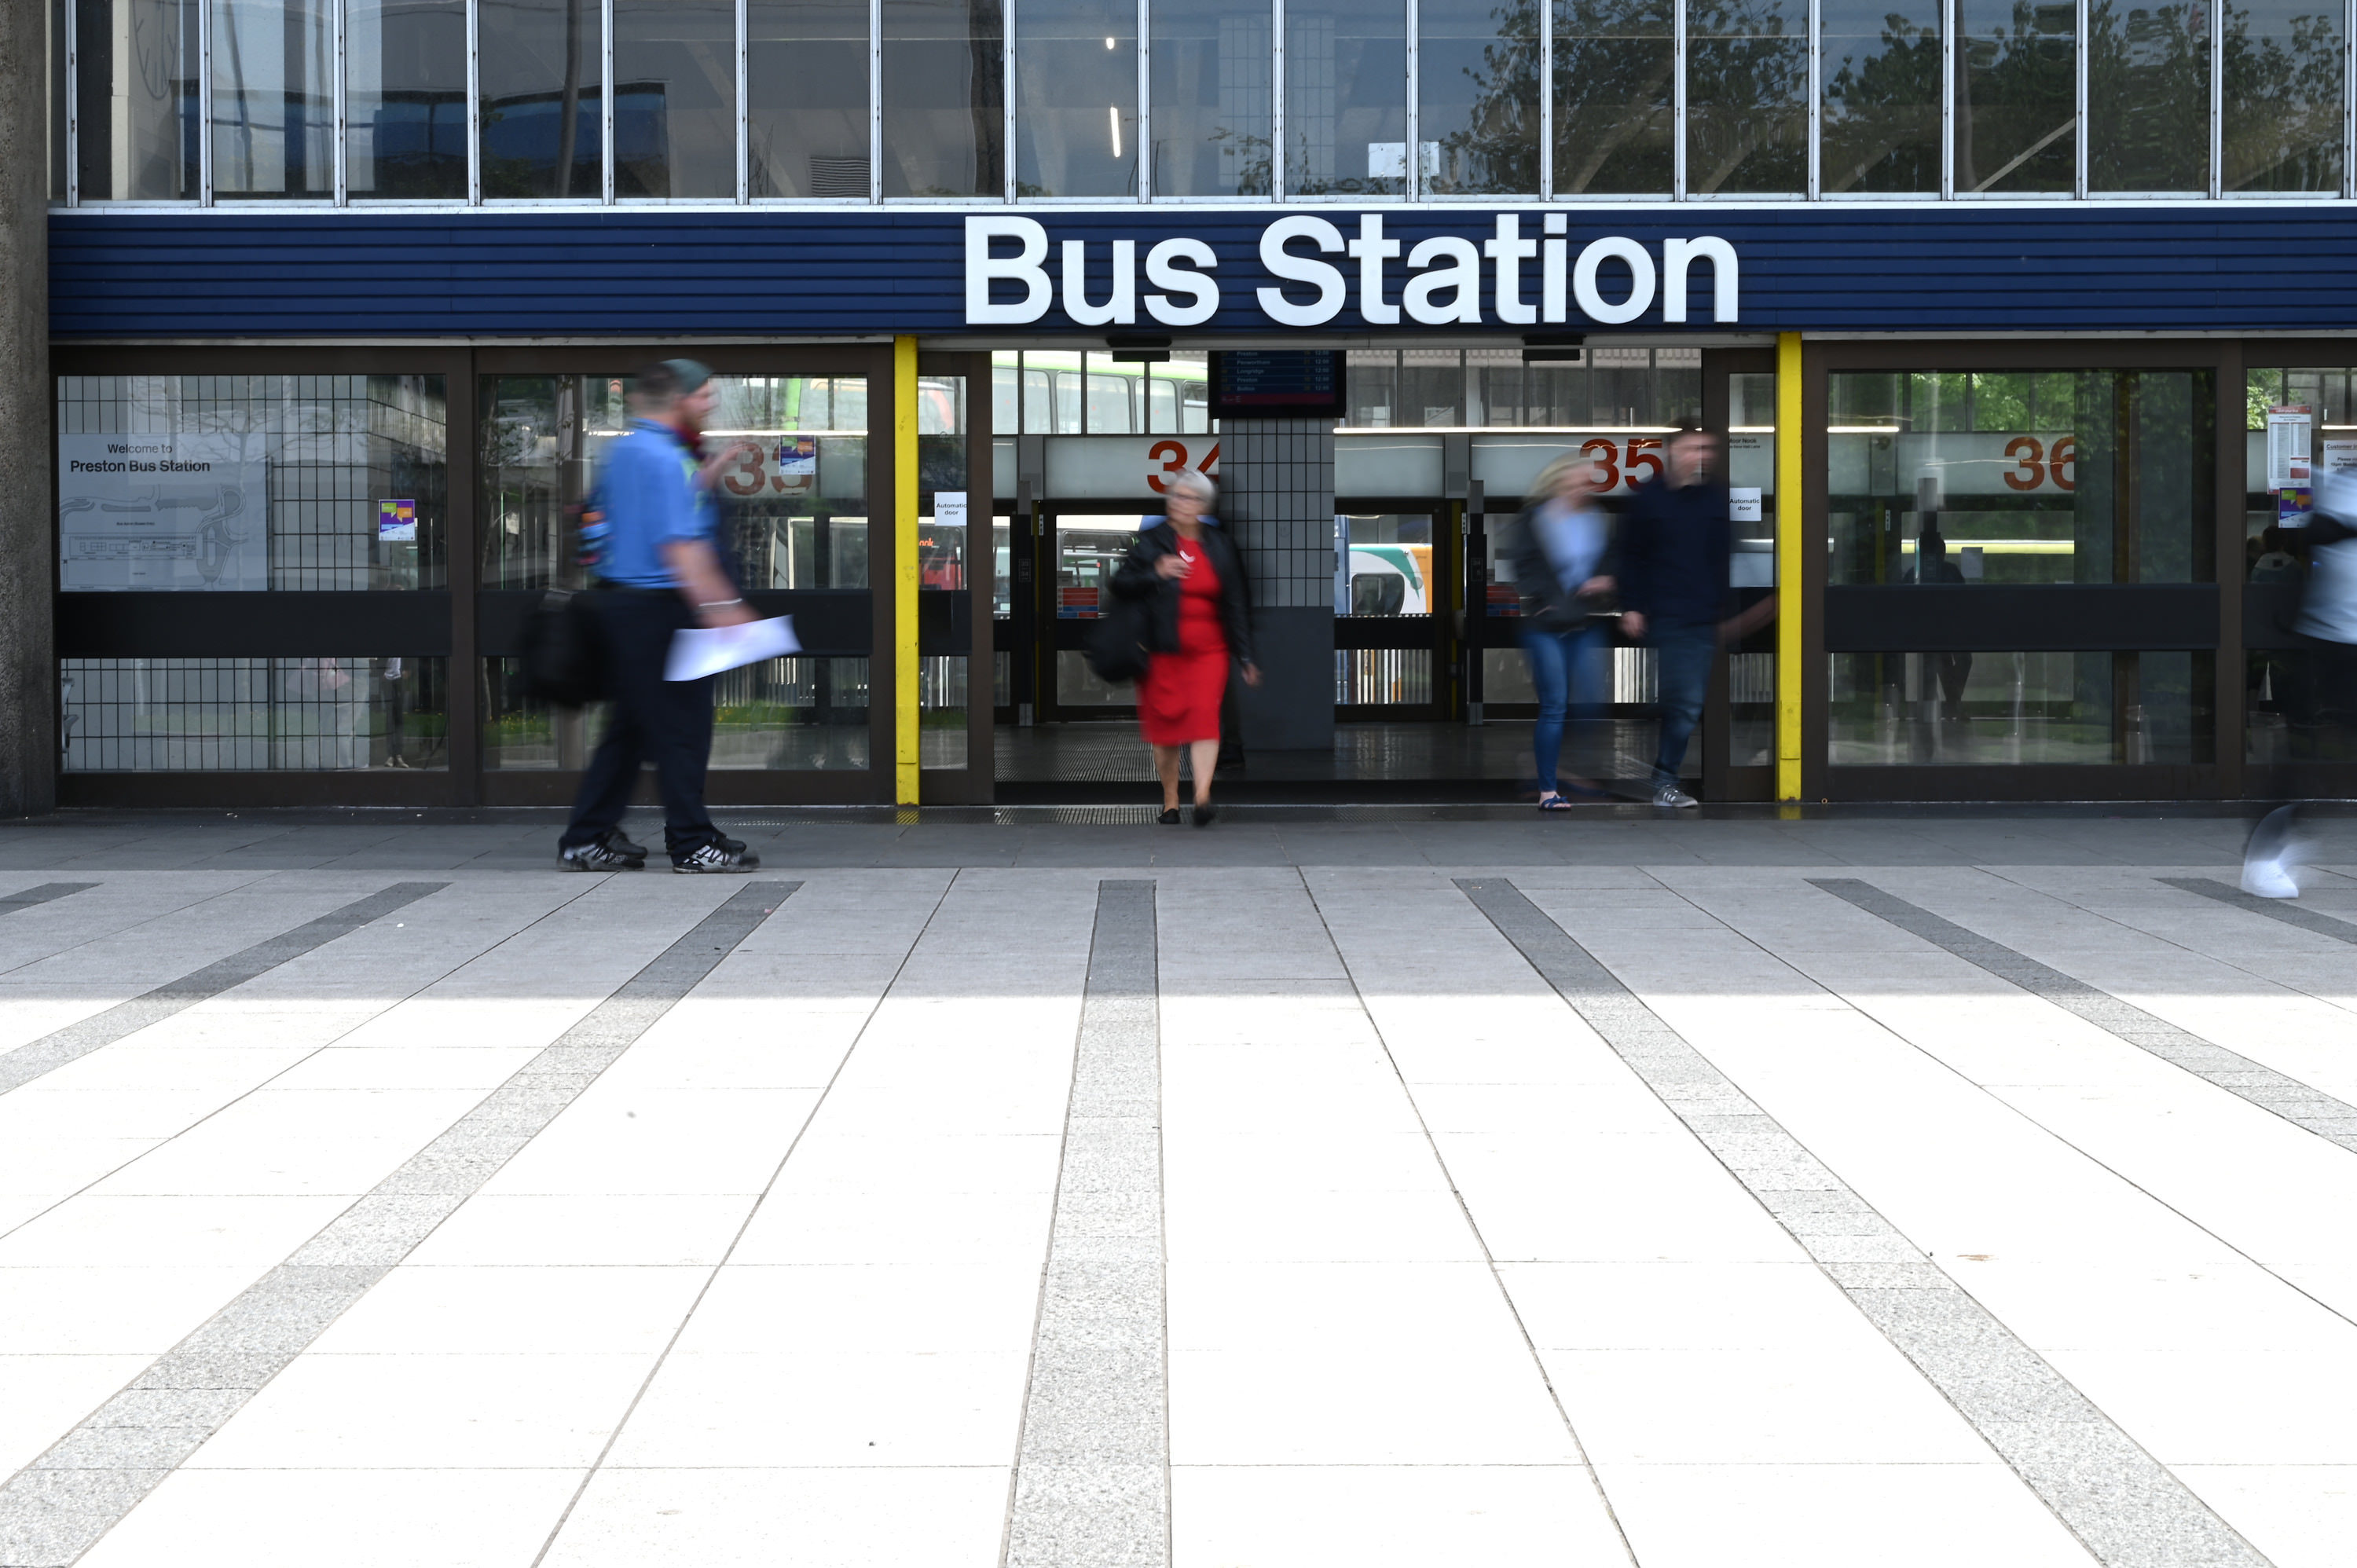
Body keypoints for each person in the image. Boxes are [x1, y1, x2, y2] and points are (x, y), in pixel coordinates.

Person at [555, 359, 762, 873]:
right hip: (660, 609)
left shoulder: (625, 451)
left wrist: (707, 477)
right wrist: (726, 610)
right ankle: (691, 844)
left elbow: (620, 519)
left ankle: (587, 837)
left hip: (623, 605)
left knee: (630, 731)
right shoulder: (667, 457)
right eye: (704, 397)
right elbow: (681, 548)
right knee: (679, 730)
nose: (710, 404)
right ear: (678, 400)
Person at [1111, 470, 1261, 826]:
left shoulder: (1220, 545)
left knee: (1205, 718)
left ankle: (1204, 797)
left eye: (1189, 498)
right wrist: (1156, 573)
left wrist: (1245, 655)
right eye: (1176, 497)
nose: (1180, 503)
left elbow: (1236, 602)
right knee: (1166, 726)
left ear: (1202, 505)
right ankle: (1170, 800)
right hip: (1162, 650)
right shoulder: (1152, 542)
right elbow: (1120, 584)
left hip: (1210, 652)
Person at [1618, 423, 1748, 808]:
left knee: (1684, 699)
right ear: (1672, 452)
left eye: (1707, 449)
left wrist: (1725, 609)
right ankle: (1664, 781)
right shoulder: (1647, 499)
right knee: (1687, 700)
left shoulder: (1715, 498)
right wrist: (1632, 604)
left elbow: (1724, 556)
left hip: (1703, 614)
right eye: (1694, 448)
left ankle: (1660, 722)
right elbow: (1629, 555)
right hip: (1665, 612)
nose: (1702, 456)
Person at [2244, 473, 2357, 896]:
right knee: (2314, 754)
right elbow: (2321, 531)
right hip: (2339, 643)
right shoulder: (2347, 488)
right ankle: (2264, 856)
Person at [1502, 453, 1618, 808]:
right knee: (1555, 704)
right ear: (1560, 483)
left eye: (1589, 480)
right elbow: (1522, 564)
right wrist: (1542, 599)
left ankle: (1556, 765)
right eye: (1578, 479)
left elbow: (1610, 561)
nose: (1586, 485)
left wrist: (1605, 582)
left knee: (1590, 705)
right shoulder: (1535, 519)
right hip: (1544, 624)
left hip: (1582, 621)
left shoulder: (1597, 519)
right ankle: (1548, 790)